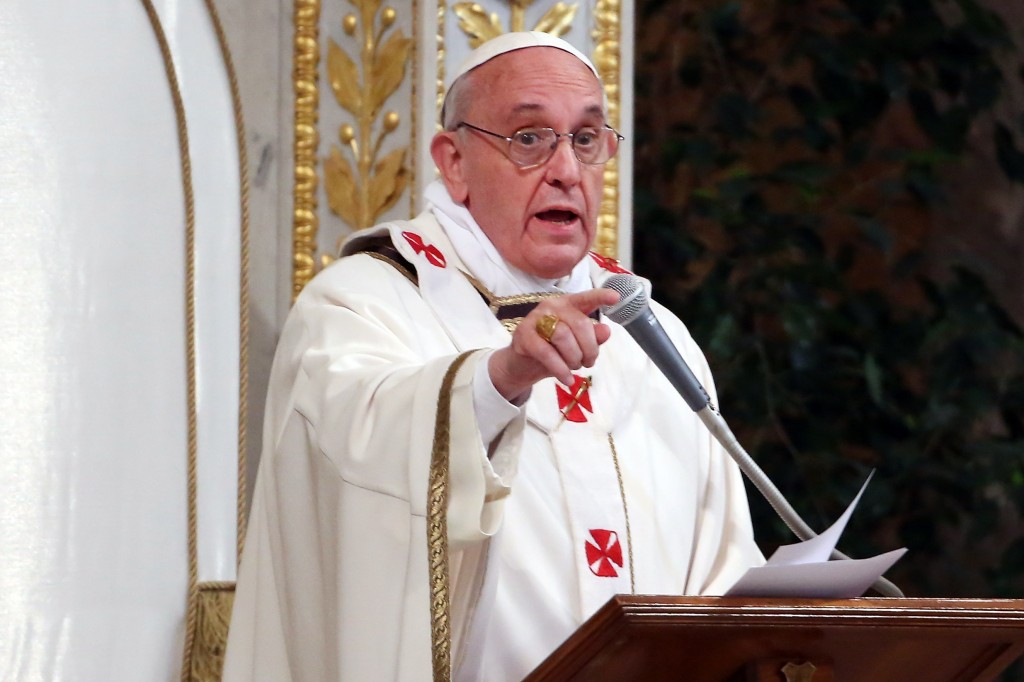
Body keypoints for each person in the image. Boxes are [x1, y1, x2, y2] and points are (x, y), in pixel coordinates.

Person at [223, 31, 763, 682]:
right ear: (452, 161)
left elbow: (723, 570)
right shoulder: (358, 306)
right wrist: (501, 379)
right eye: (529, 138)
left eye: (586, 140)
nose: (566, 169)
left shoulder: (652, 336)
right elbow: (357, 484)